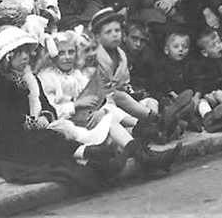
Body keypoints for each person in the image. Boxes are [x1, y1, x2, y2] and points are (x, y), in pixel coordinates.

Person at [0, 26, 122, 178]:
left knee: (54, 136)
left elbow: (48, 106)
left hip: (37, 131)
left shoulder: (31, 79)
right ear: (8, 56)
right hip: (10, 135)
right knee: (45, 140)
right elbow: (2, 114)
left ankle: (89, 157)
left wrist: (45, 116)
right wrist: (31, 122)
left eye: (27, 52)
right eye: (20, 53)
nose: (25, 57)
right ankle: (86, 153)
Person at [38, 30, 179, 170]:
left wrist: (100, 111)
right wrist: (76, 105)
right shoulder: (47, 78)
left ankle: (148, 149)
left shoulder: (78, 74)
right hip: (67, 125)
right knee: (111, 123)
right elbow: (50, 112)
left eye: (71, 52)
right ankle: (150, 138)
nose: (67, 57)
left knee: (110, 114)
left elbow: (100, 98)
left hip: (87, 118)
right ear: (53, 56)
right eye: (61, 53)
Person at [184, 28, 222, 126]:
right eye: (213, 45)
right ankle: (208, 116)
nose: (218, 46)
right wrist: (197, 96)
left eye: (219, 42)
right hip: (208, 95)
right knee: (202, 103)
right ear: (205, 52)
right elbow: (200, 82)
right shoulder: (202, 65)